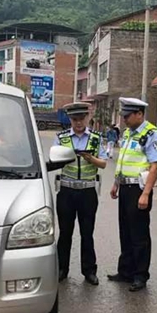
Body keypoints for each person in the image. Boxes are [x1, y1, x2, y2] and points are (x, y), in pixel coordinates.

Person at [108, 97, 157, 292]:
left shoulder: (150, 133)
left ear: (139, 114)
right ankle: (125, 271)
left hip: (138, 189)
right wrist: (116, 183)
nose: (124, 119)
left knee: (139, 234)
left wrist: (146, 193)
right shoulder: (128, 133)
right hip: (124, 187)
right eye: (123, 116)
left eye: (127, 116)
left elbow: (155, 166)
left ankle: (140, 275)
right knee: (125, 231)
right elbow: (123, 161)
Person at [54, 102, 108, 285]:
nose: (78, 123)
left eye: (81, 119)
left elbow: (104, 163)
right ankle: (62, 269)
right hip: (67, 191)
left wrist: (91, 159)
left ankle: (89, 271)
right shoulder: (61, 138)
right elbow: (53, 160)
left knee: (87, 233)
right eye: (74, 119)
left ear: (87, 118)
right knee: (65, 233)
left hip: (87, 192)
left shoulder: (95, 138)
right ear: (70, 119)